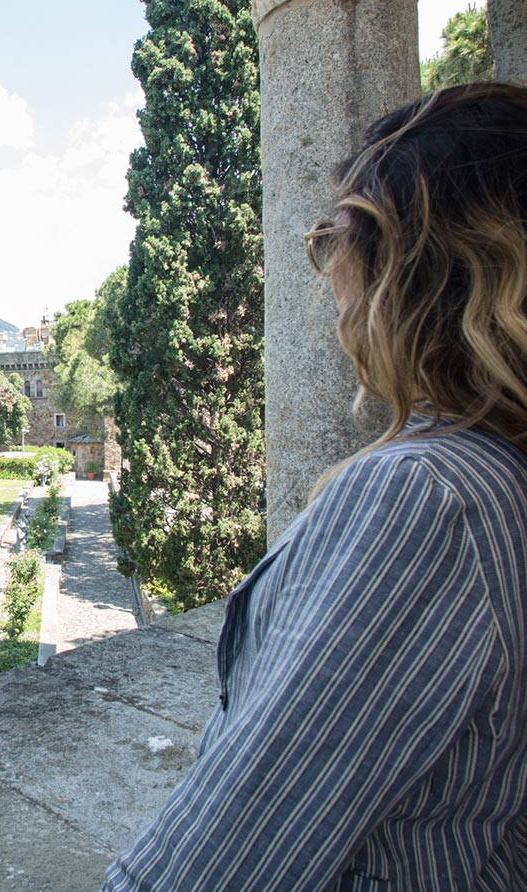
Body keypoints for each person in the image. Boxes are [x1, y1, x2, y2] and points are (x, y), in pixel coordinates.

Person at [102, 83, 527, 891]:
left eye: (339, 230)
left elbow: (224, 860)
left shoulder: (423, 499)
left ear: (407, 269)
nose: (326, 263)